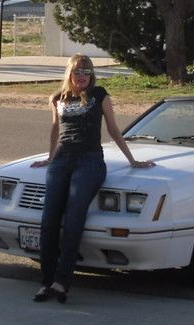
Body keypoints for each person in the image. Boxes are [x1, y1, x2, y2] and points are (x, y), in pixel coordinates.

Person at [31, 53, 154, 303]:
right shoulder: (57, 98)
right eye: (77, 72)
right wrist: (49, 157)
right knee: (49, 221)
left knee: (75, 219)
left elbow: (113, 129)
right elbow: (56, 129)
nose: (82, 77)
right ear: (69, 73)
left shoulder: (100, 95)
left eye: (87, 72)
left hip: (89, 161)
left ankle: (62, 282)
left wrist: (132, 161)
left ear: (92, 75)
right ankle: (45, 282)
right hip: (62, 160)